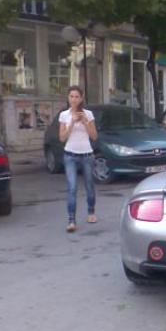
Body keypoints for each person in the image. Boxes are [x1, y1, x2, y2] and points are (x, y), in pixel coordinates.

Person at [58, 86, 98, 233]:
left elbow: (94, 136)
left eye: (76, 96)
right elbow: (62, 138)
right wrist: (73, 123)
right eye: (71, 96)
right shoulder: (64, 115)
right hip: (70, 155)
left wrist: (86, 121)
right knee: (72, 187)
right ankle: (71, 220)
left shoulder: (88, 114)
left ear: (81, 98)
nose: (74, 99)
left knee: (89, 185)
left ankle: (91, 211)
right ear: (68, 98)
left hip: (87, 155)